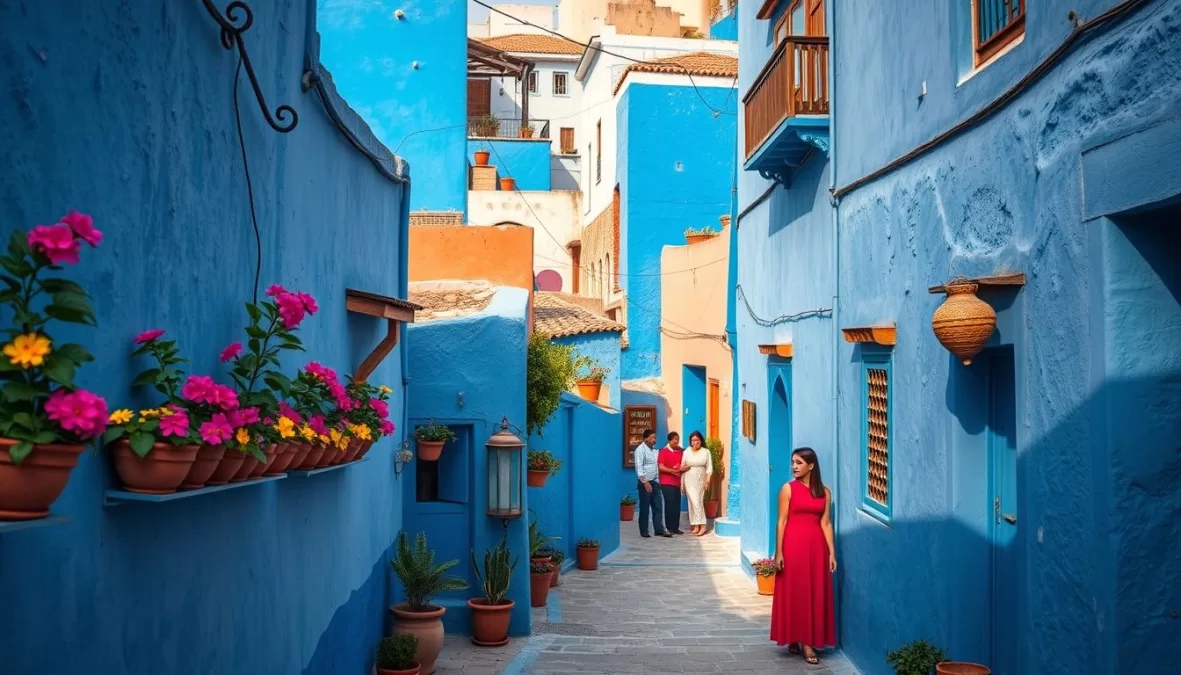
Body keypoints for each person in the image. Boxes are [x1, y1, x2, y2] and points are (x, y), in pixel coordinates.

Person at [770, 447, 836, 665]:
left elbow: (826, 523)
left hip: (817, 549)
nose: (794, 467)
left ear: (811, 465)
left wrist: (832, 553)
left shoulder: (825, 492)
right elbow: (781, 521)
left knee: (813, 592)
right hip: (793, 546)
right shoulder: (787, 489)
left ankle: (801, 638)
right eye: (793, 463)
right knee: (796, 592)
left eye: (799, 463)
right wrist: (778, 552)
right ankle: (804, 642)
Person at [633, 429, 671, 538]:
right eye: (652, 437)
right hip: (645, 482)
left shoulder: (655, 451)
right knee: (645, 507)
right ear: (646, 438)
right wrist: (645, 482)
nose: (655, 439)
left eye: (655, 437)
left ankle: (659, 529)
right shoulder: (640, 450)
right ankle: (644, 530)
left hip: (655, 481)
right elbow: (639, 467)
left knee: (658, 506)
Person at [680, 431, 713, 536]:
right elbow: (682, 466)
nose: (695, 442)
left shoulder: (706, 451)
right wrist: (682, 483)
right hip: (688, 478)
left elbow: (709, 467)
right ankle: (696, 524)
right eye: (693, 440)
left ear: (701, 440)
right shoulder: (687, 451)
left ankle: (702, 525)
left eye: (697, 440)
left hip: (700, 479)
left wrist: (708, 479)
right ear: (690, 441)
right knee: (692, 502)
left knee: (697, 501)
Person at [657, 431, 688, 535]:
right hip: (666, 482)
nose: (677, 441)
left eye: (678, 439)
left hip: (677, 482)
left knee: (676, 505)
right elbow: (661, 467)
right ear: (669, 440)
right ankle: (669, 527)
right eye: (675, 439)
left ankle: (675, 527)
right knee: (669, 504)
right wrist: (672, 471)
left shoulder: (680, 452)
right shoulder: (663, 451)